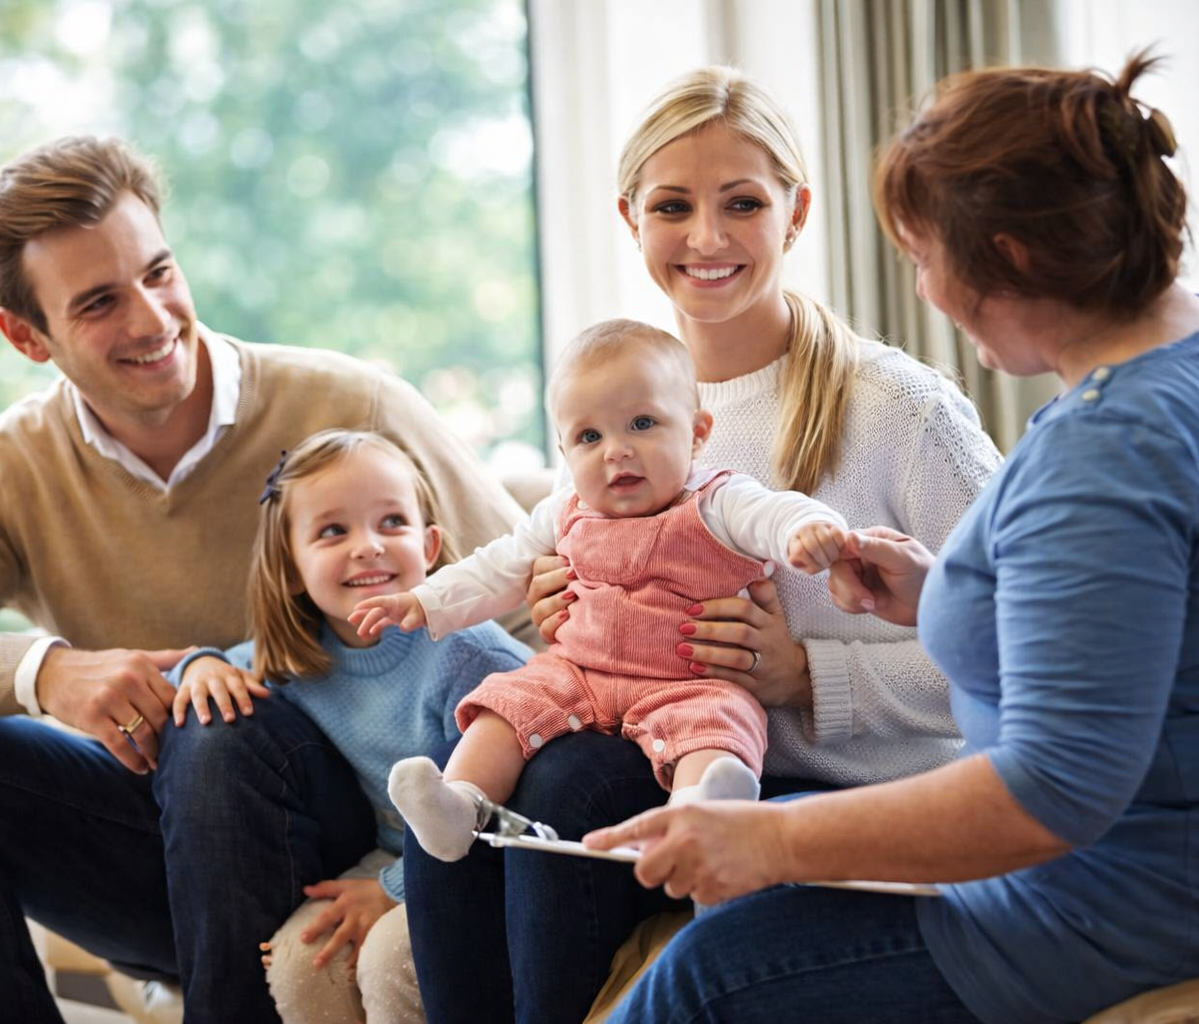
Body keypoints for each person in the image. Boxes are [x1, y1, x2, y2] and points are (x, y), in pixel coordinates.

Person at [582, 52, 1199, 1024]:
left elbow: (1050, 793)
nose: (924, 292)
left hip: (1119, 902)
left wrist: (772, 847)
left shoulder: (1110, 451)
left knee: (701, 976)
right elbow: (1149, 630)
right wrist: (944, 589)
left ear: (1017, 257)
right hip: (1190, 858)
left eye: (924, 258)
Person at [0, 136, 534, 1024]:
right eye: (99, 302)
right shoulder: (13, 468)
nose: (150, 319)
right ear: (26, 335)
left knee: (217, 726)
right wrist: (45, 672)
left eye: (158, 272)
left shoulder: (355, 411)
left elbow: (531, 604)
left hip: (349, 840)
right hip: (148, 856)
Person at [401, 67, 1002, 1023]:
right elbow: (573, 573)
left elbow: (1016, 660)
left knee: (560, 787)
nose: (708, 239)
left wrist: (809, 674)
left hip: (828, 787)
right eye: (673, 207)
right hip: (656, 741)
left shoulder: (902, 413)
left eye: (743, 205)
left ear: (796, 213)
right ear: (631, 218)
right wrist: (565, 605)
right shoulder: (617, 403)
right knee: (467, 785)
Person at [355, 320, 848, 862]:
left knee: (721, 723)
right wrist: (424, 600)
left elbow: (776, 513)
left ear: (698, 432)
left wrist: (808, 531)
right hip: (577, 673)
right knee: (506, 704)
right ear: (565, 453)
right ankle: (459, 805)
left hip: (687, 682)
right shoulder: (564, 510)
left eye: (642, 424)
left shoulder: (718, 501)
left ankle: (703, 813)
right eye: (590, 437)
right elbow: (496, 568)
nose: (617, 451)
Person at [169, 428, 532, 1024]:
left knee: (389, 960)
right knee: (298, 959)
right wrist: (198, 665)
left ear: (431, 545)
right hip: (390, 854)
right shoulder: (297, 655)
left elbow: (504, 820)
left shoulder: (468, 656)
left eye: (392, 522)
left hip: (485, 859)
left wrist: (392, 888)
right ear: (290, 567)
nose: (368, 546)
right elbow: (205, 682)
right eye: (334, 531)